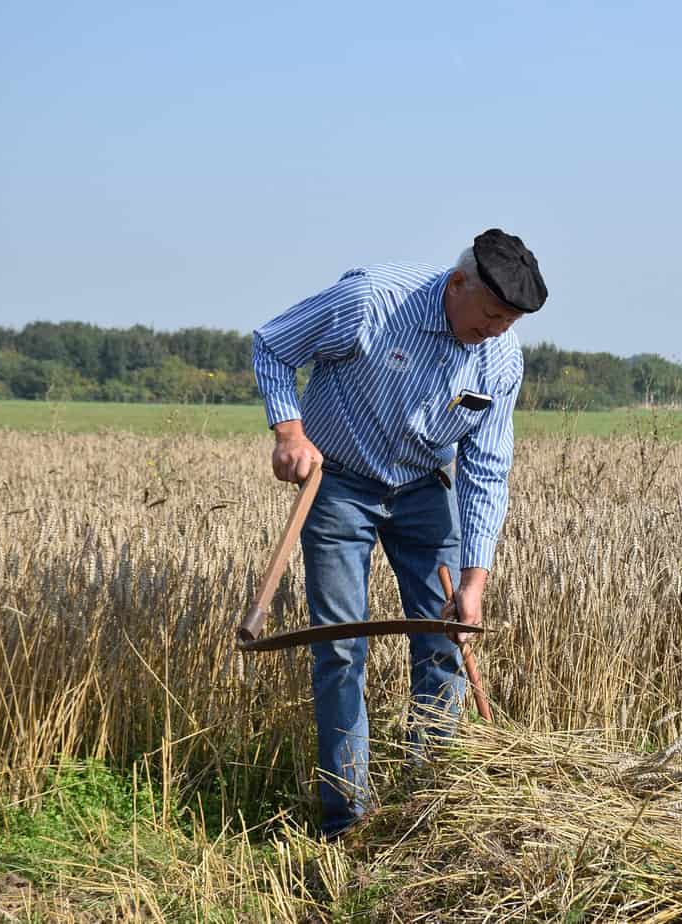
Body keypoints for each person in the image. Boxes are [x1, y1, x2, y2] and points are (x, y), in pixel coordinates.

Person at [251, 228, 547, 838]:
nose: (495, 330)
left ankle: (429, 810)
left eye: (508, 322)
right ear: (457, 282)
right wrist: (288, 432)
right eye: (490, 315)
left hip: (420, 491)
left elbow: (487, 468)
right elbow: (272, 346)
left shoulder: (501, 357)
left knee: (445, 638)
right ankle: (347, 822)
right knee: (340, 646)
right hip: (338, 485)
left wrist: (474, 581)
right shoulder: (371, 303)